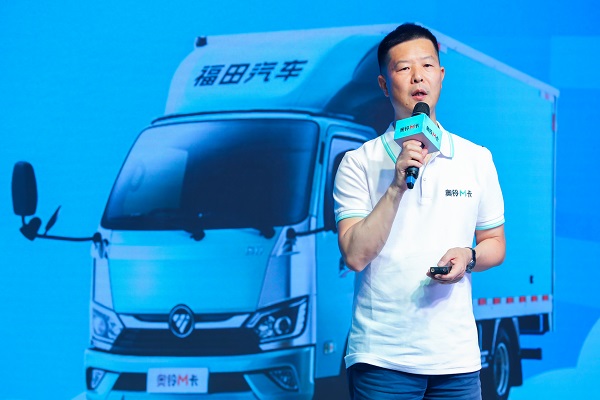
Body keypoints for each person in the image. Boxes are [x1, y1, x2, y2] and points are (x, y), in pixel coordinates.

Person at [333, 23, 506, 399]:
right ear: (384, 84)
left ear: (441, 75)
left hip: (456, 361)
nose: (417, 76)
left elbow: (495, 243)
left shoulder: (476, 159)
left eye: (427, 65)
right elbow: (355, 256)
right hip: (382, 359)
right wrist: (397, 185)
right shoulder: (358, 162)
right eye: (403, 68)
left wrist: (469, 256)